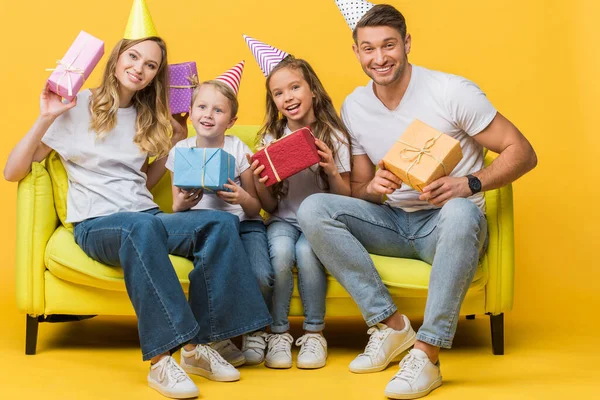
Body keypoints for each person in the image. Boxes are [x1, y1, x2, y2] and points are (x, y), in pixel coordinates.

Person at [4, 36, 271, 399]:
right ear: (115, 59)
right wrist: (47, 115)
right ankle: (165, 359)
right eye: (133, 57)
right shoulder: (75, 105)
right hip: (97, 224)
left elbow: (141, 183)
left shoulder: (148, 117)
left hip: (144, 217)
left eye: (151, 65)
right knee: (139, 226)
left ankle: (202, 347)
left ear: (155, 76)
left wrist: (172, 142)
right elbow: (13, 170)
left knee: (220, 223)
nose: (139, 69)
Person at [297, 2, 537, 398]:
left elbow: (523, 152)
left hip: (447, 226)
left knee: (460, 210)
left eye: (388, 45)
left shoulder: (451, 91)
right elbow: (359, 190)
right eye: (368, 48)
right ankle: (391, 327)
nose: (379, 58)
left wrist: (468, 184)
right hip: (392, 222)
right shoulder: (355, 105)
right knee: (313, 208)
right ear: (355, 52)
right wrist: (373, 187)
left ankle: (427, 355)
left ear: (407, 43)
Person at [245, 35, 352, 370]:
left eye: (294, 88)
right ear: (274, 102)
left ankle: (314, 332)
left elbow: (346, 198)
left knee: (307, 253)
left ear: (313, 91)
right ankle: (277, 332)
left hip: (320, 224)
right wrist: (264, 182)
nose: (288, 97)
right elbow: (270, 207)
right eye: (279, 93)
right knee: (279, 254)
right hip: (282, 220)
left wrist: (332, 169)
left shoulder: (333, 136)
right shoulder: (269, 138)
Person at [166, 62, 275, 368]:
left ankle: (256, 329)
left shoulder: (239, 149)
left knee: (262, 275)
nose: (208, 115)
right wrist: (189, 199)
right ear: (190, 111)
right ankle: (217, 337)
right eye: (202, 107)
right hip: (201, 227)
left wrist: (240, 196)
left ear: (231, 120)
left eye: (218, 110)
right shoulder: (181, 150)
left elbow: (256, 207)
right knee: (208, 268)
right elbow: (176, 207)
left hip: (245, 225)